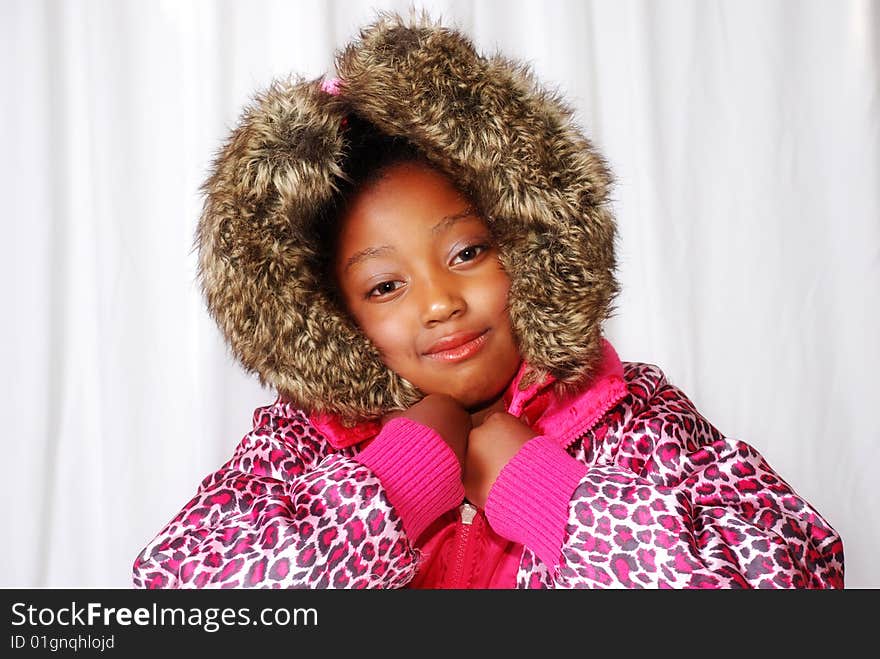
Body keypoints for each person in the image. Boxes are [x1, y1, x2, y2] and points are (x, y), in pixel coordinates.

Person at [132, 12, 844, 589]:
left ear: (526, 244)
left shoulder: (635, 419)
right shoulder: (298, 446)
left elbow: (793, 582)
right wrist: (392, 485)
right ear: (333, 315)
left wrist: (553, 496)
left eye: (467, 252)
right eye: (385, 286)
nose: (440, 302)